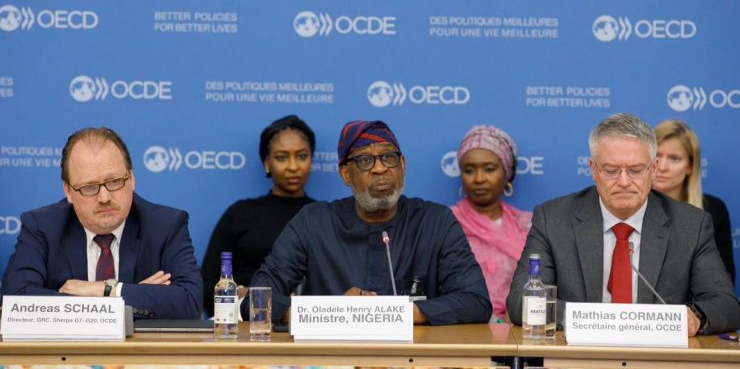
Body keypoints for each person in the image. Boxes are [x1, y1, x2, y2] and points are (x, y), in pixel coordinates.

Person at [506, 113, 740, 336]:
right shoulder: (554, 220)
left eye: (636, 170)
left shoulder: (691, 226)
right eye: (611, 170)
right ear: (593, 169)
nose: (624, 182)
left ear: (653, 169)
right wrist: (601, 321)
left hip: (657, 356)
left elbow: (726, 305)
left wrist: (694, 317)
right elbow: (520, 303)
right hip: (579, 355)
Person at [251, 120, 491, 325]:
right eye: (365, 160)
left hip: (412, 357)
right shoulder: (314, 223)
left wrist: (397, 313)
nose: (380, 168)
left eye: (388, 157)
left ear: (402, 165)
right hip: (333, 356)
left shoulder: (435, 222)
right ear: (346, 174)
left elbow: (476, 301)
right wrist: (332, 312)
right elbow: (257, 300)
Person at [1, 127, 202, 319]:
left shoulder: (165, 225)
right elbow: (14, 300)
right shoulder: (43, 227)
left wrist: (103, 289)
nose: (104, 197)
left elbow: (190, 302)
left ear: (131, 179)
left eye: (114, 181)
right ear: (68, 191)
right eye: (89, 187)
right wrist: (132, 296)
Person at [201, 114, 316, 316]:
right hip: (243, 320)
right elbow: (205, 286)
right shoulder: (241, 213)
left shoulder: (323, 216)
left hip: (308, 320)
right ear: (266, 162)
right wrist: (244, 295)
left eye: (301, 156)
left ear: (311, 159)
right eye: (281, 157)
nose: (293, 166)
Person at [451, 125, 531, 322]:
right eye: (469, 170)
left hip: (520, 328)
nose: (479, 179)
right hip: (463, 328)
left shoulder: (529, 225)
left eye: (489, 169)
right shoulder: (446, 224)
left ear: (507, 173)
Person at [653, 120, 735, 284]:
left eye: (674, 158)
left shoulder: (712, 210)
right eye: (656, 156)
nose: (662, 167)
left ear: (690, 166)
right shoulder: (629, 207)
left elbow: (722, 282)